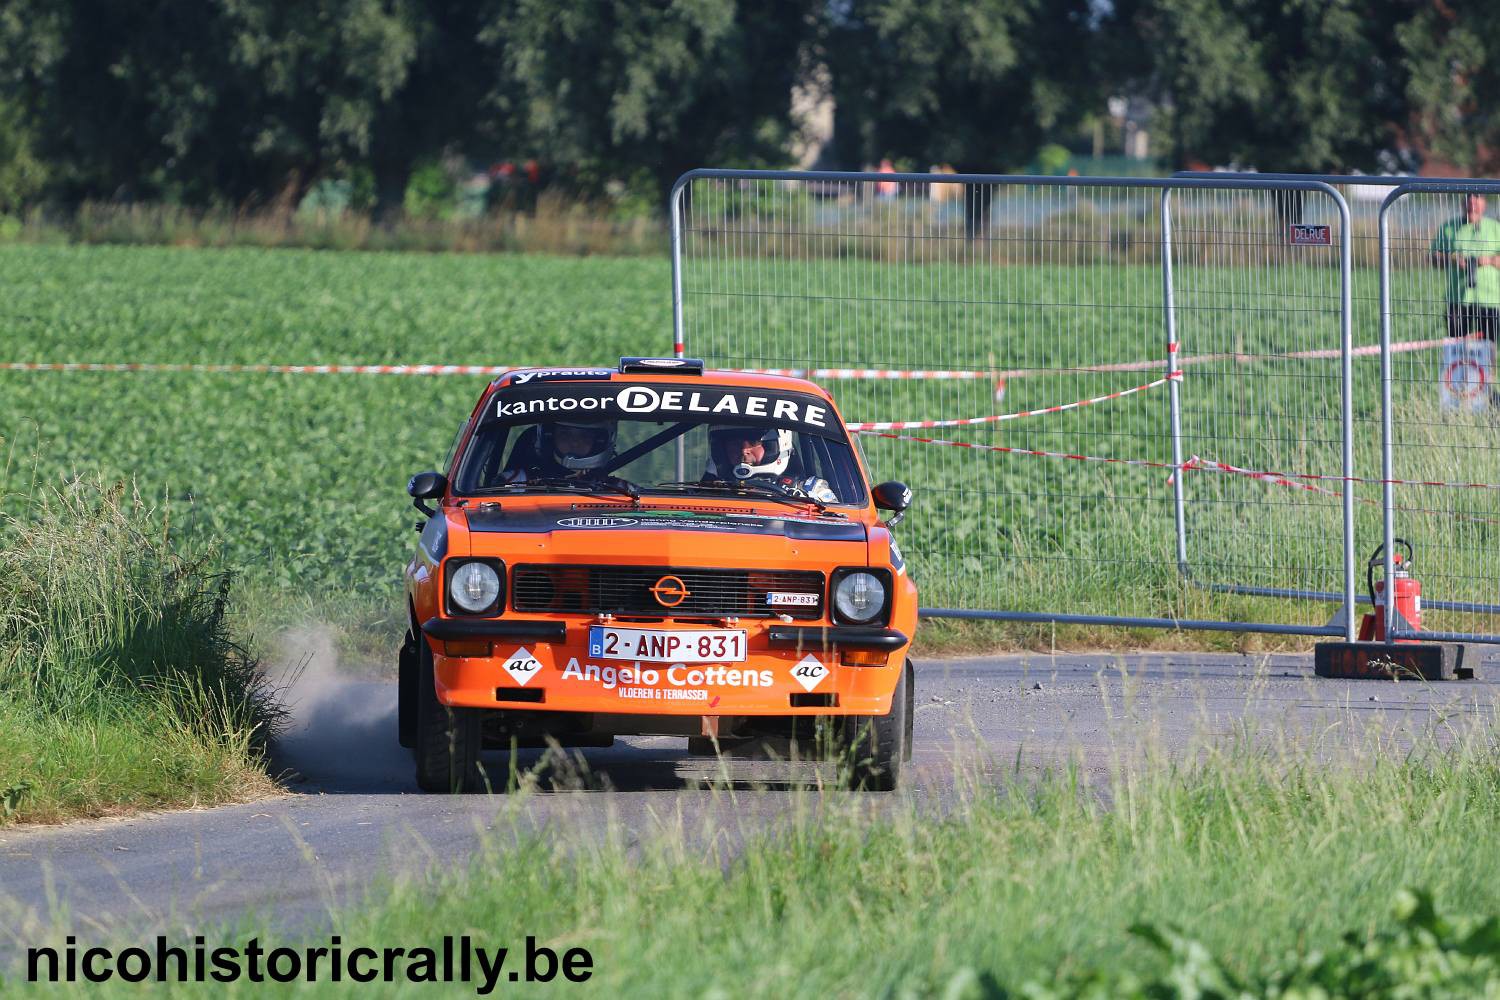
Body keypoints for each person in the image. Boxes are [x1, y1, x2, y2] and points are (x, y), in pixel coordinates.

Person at [1430, 193, 1500, 341]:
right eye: (1468, 198)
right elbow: (1432, 258)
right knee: (1457, 346)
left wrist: (1490, 260)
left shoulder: (1495, 228)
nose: (1471, 202)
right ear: (1462, 203)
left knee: (1488, 348)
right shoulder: (1449, 227)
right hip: (1457, 298)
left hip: (1489, 298)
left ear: (1484, 203)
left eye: (1476, 198)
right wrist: (1454, 260)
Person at [704, 426, 837, 503]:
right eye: (734, 443)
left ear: (775, 445)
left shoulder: (811, 492)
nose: (744, 450)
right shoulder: (706, 492)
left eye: (753, 441)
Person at [503, 420, 617, 484]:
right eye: (565, 434)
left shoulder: (625, 491)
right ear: (549, 438)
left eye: (585, 436)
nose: (575, 443)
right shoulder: (512, 483)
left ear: (599, 442)